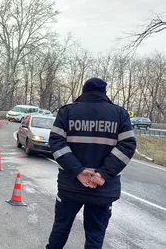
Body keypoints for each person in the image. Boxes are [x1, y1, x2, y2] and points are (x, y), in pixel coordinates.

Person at [46, 77, 136, 248]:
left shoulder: (67, 112)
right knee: (95, 236)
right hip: (103, 190)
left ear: (84, 91)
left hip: (70, 186)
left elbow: (56, 143)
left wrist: (78, 171)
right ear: (104, 92)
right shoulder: (119, 114)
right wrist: (102, 174)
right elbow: (128, 146)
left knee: (60, 230)